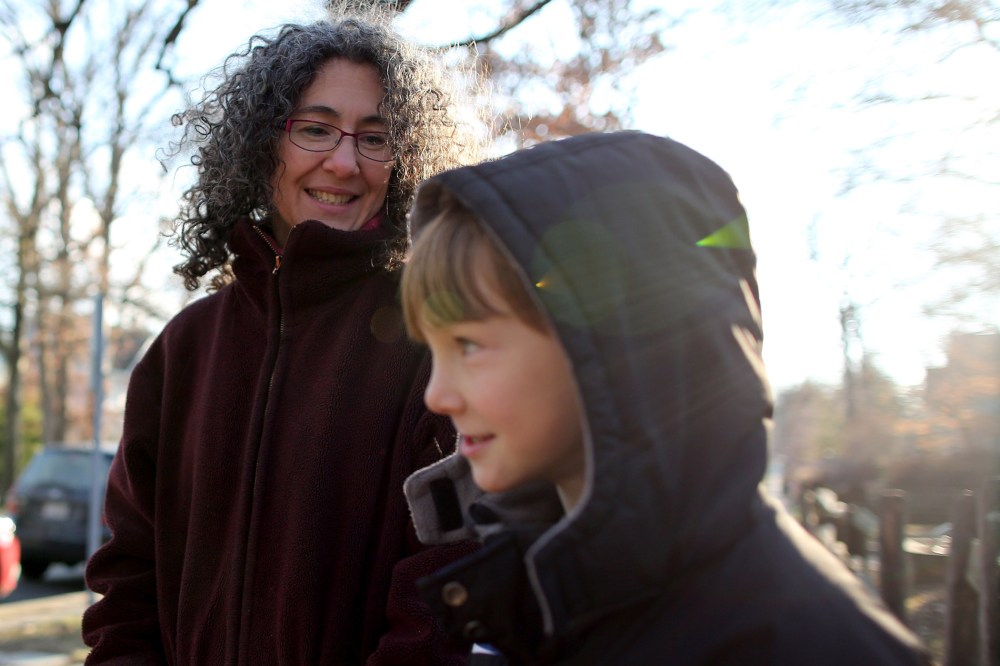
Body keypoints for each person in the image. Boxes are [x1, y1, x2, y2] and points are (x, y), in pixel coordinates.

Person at [399, 131, 933, 664]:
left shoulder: (799, 640)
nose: (437, 395)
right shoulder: (534, 602)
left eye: (468, 344)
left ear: (616, 345)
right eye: (435, 349)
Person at [83, 10, 485, 664]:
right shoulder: (183, 351)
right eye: (316, 129)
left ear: (407, 159)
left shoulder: (440, 337)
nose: (345, 162)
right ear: (263, 142)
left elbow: (450, 588)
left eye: (377, 137)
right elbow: (128, 581)